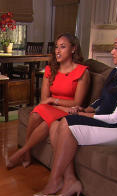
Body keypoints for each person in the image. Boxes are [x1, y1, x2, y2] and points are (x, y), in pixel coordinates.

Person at [33, 28, 117, 196]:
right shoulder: (116, 72)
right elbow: (102, 101)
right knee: (57, 124)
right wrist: (86, 109)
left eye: (116, 47)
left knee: (66, 123)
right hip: (111, 122)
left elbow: (116, 119)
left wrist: (82, 115)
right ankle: (71, 181)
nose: (112, 51)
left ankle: (55, 181)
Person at [7, 33, 90, 168]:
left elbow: (77, 103)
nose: (57, 50)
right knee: (36, 113)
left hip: (68, 111)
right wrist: (56, 103)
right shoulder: (50, 70)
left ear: (73, 49)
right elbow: (44, 99)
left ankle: (23, 151)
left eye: (62, 47)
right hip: (58, 108)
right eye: (56, 47)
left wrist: (54, 100)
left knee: (44, 120)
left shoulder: (82, 72)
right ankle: (26, 153)